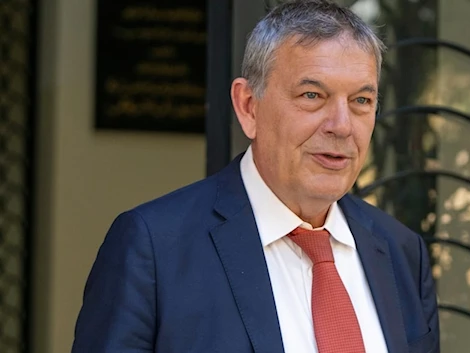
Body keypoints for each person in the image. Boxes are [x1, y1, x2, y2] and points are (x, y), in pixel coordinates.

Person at [72, 1, 439, 352]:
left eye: (361, 101)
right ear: (248, 106)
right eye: (312, 95)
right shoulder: (153, 248)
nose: (342, 126)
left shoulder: (401, 253)